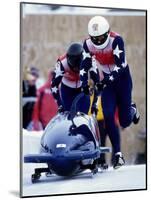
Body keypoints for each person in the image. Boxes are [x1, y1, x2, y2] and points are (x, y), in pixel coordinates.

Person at [80, 16, 140, 169]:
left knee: (125, 121)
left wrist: (105, 81)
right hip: (108, 83)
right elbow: (84, 65)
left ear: (107, 33)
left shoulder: (116, 40)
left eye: (101, 38)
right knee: (107, 115)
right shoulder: (87, 44)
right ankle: (118, 154)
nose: (98, 42)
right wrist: (84, 83)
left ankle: (132, 109)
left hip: (122, 79)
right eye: (95, 38)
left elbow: (120, 66)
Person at [51, 42, 100, 114]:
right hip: (67, 89)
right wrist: (60, 104)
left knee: (82, 115)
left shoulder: (90, 60)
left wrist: (95, 104)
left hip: (83, 87)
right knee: (68, 115)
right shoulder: (61, 63)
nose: (76, 70)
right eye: (74, 67)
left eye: (79, 68)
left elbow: (97, 82)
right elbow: (54, 85)